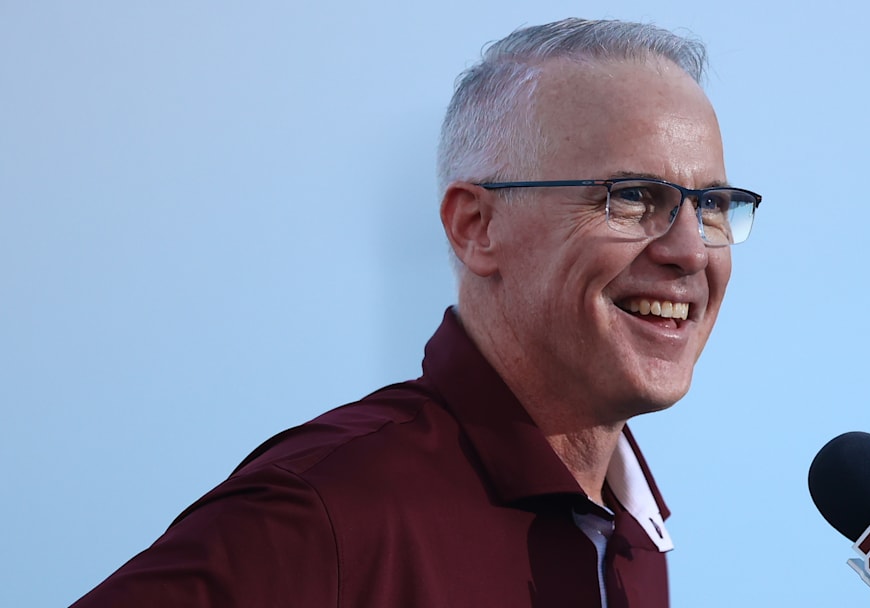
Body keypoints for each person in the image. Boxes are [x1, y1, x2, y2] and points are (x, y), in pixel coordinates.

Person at [72, 18, 762, 608]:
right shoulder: (327, 511)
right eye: (633, 197)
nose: (689, 251)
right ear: (475, 227)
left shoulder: (631, 535)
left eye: (711, 206)